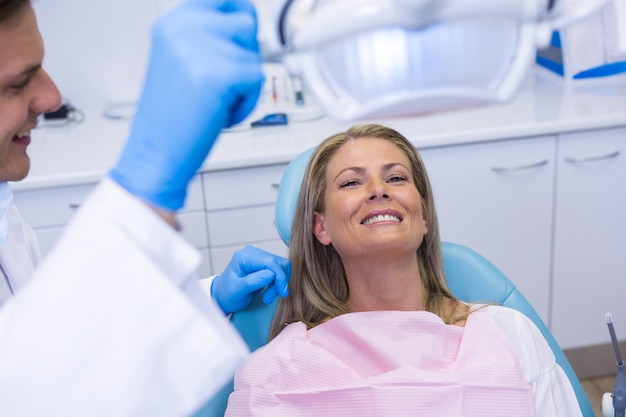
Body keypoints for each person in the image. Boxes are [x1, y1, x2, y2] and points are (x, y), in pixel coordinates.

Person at [0, 0, 290, 415]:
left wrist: (211, 296)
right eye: (16, 83)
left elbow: (50, 339)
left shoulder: (5, 212)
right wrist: (142, 198)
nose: (51, 97)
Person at [224, 124, 584, 417]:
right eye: (351, 182)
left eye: (396, 178)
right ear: (321, 227)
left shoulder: (510, 335)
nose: (378, 190)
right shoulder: (274, 373)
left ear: (423, 215)